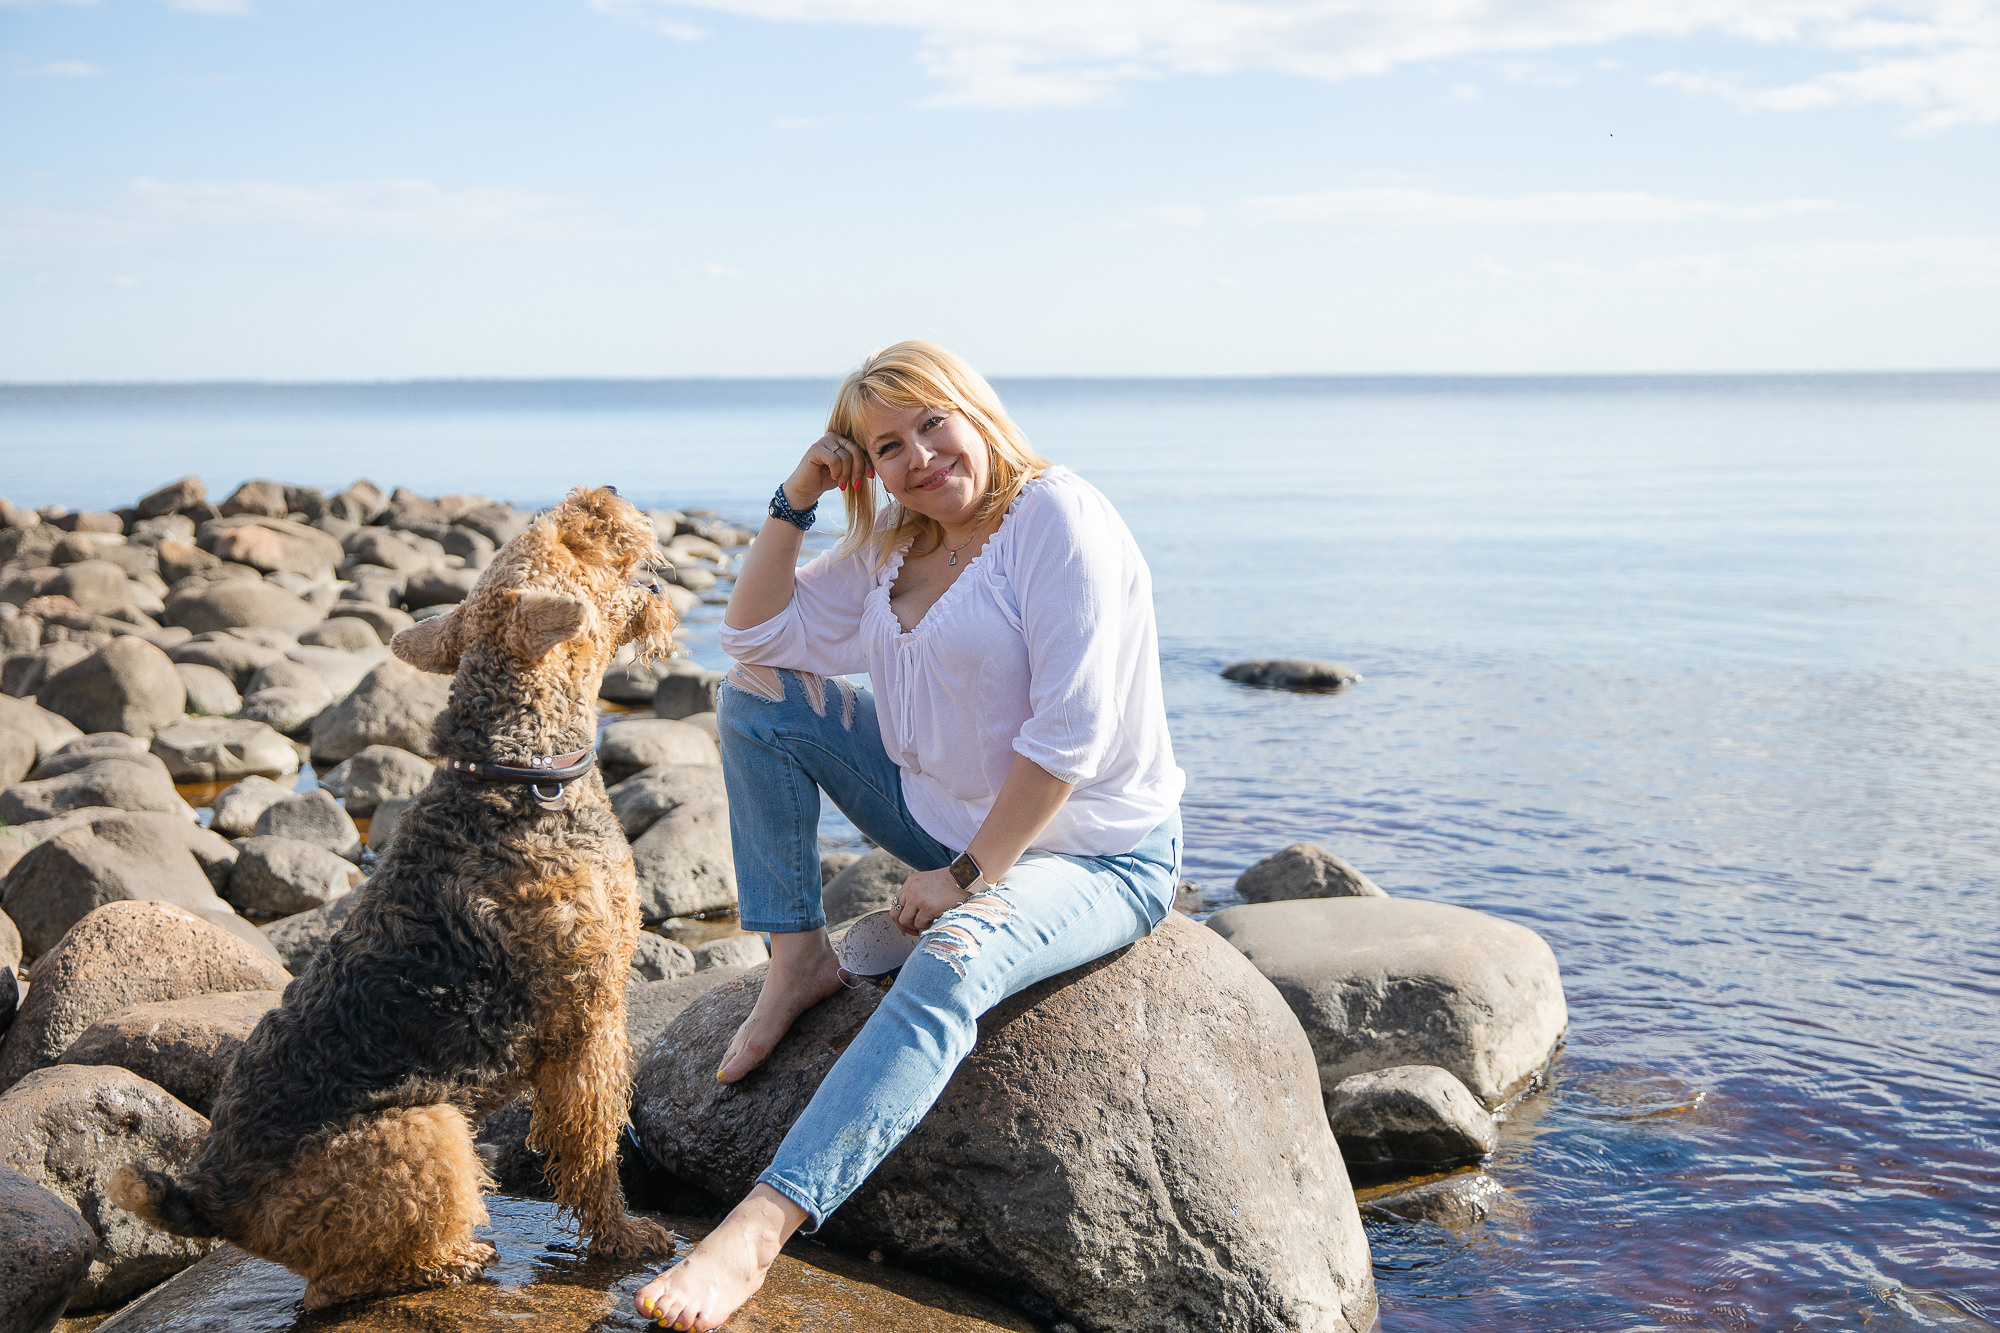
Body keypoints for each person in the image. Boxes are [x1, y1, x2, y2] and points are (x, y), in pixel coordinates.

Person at [633, 341, 1185, 1331]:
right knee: (754, 700)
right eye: (888, 446)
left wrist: (966, 876)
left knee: (951, 957)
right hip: (939, 820)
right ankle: (797, 961)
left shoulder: (1056, 517)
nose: (921, 456)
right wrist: (796, 496)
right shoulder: (897, 543)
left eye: (933, 422)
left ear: (975, 411)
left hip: (1094, 852)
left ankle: (758, 1227)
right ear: (870, 468)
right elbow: (752, 638)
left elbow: (1070, 733)